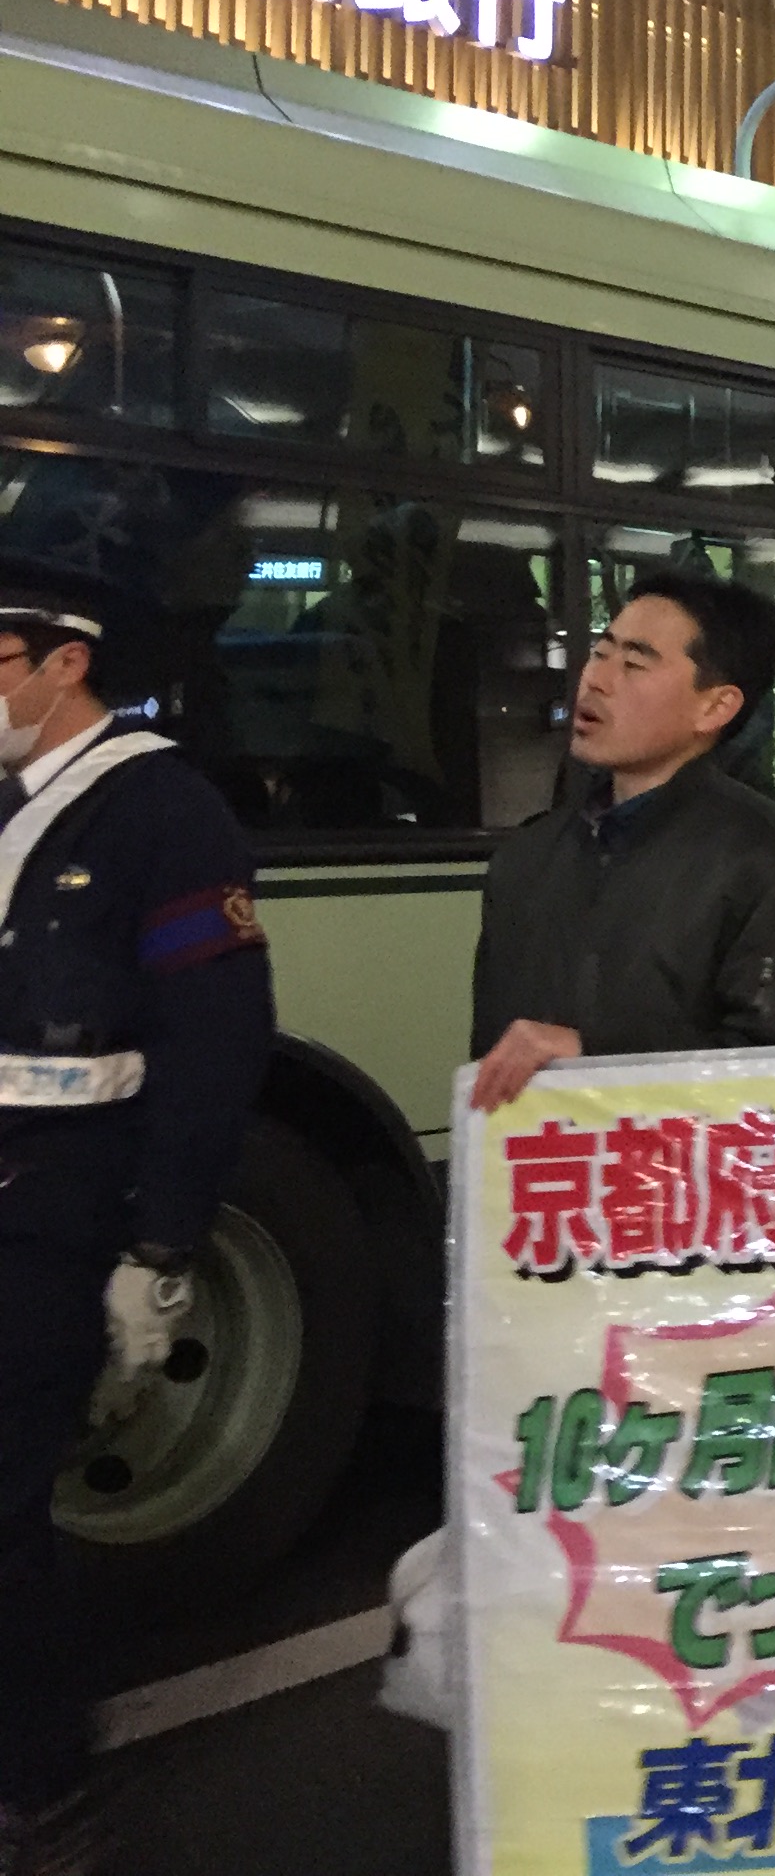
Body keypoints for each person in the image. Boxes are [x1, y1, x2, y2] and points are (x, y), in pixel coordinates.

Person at [0, 573, 276, 1872]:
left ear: (66, 664)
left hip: (59, 1210)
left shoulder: (163, 813)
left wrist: (162, 1246)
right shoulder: (11, 807)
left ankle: (44, 1788)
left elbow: (217, 1042)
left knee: (7, 1508)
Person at [469, 570, 775, 1110]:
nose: (596, 679)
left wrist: (597, 1056)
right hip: (547, 1157)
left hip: (683, 1163)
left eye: (634, 664)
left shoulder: (770, 860)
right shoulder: (527, 858)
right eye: (600, 653)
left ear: (715, 707)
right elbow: (493, 1063)